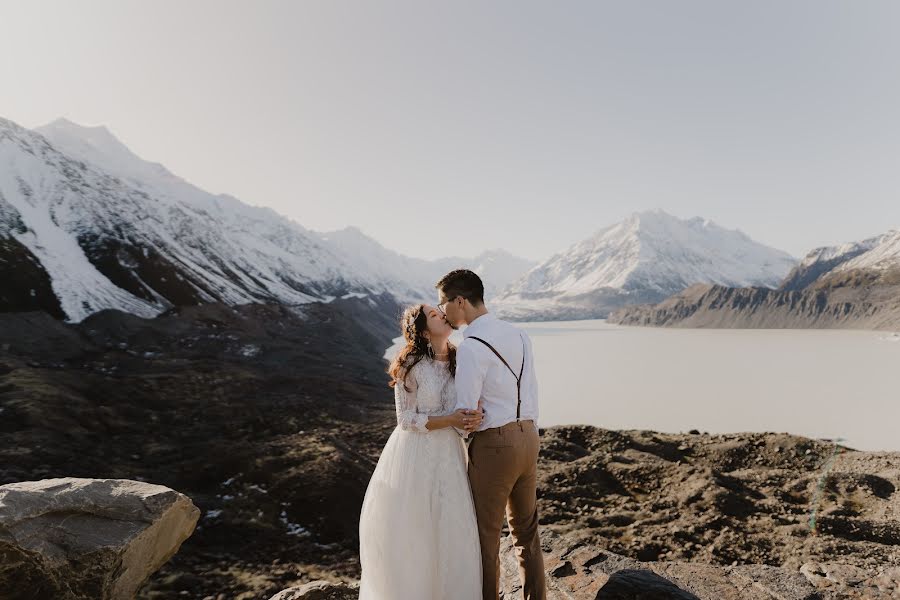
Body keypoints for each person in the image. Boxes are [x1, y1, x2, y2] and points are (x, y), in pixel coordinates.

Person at [358, 303, 485, 600]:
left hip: (450, 455)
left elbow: (463, 417)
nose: (442, 314)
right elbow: (406, 420)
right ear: (424, 330)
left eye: (439, 310)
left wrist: (471, 419)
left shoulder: (460, 358)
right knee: (415, 529)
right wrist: (451, 420)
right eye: (433, 314)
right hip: (413, 455)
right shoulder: (409, 363)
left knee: (451, 527)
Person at [437, 269, 547, 600]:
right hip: (529, 435)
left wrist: (452, 425)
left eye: (442, 303)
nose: (442, 311)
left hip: (496, 445)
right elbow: (531, 389)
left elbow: (465, 413)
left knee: (484, 536)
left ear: (459, 301)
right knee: (527, 534)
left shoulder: (471, 345)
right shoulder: (519, 333)